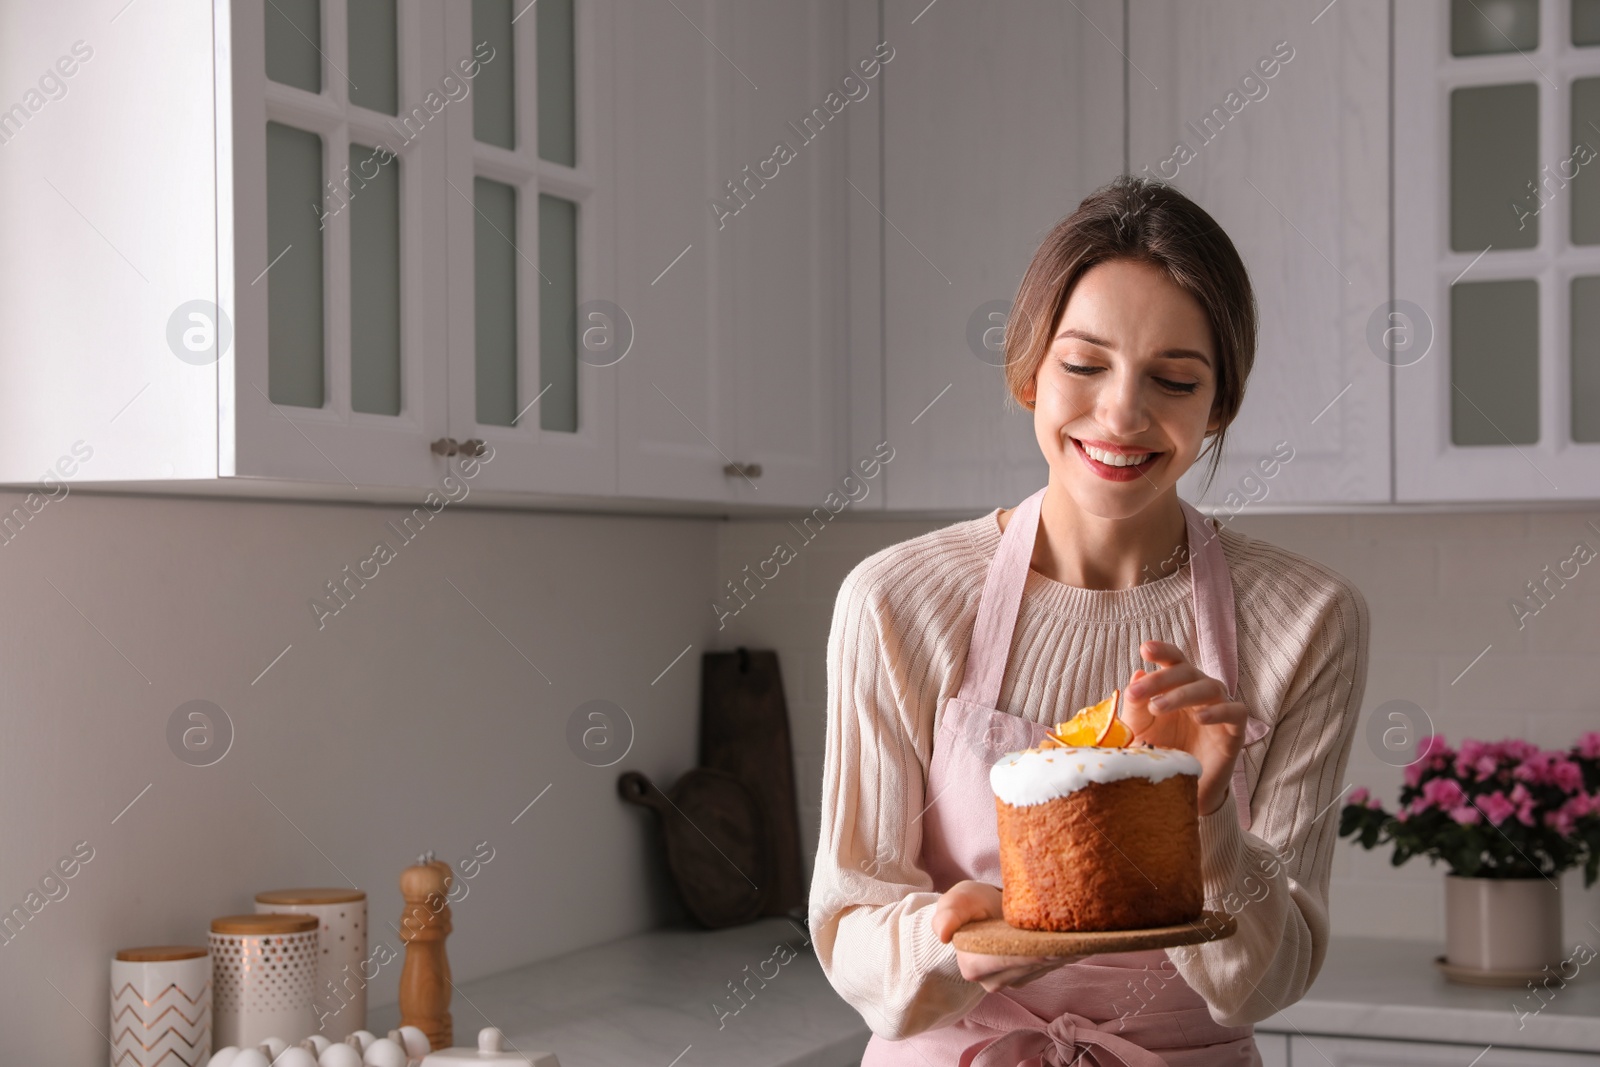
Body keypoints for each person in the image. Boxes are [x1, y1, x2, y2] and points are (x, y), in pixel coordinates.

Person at [809, 175, 1371, 1065]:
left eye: (1174, 379)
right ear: (1029, 370)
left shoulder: (1309, 617)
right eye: (1083, 365)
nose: (1121, 414)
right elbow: (851, 932)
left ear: (1218, 403)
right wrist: (957, 945)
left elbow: (1269, 979)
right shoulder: (894, 599)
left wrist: (1206, 816)